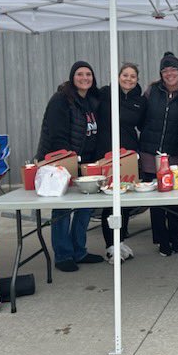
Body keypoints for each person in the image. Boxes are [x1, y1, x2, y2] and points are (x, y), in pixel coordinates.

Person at [35, 61, 105, 272]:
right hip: (62, 163)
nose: (85, 78)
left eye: (88, 74)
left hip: (86, 163)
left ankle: (79, 250)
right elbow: (56, 134)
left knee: (85, 207)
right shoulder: (61, 100)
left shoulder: (91, 101)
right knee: (63, 209)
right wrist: (70, 162)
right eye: (80, 74)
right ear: (72, 77)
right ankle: (63, 254)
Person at [139, 52, 178, 257]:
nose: (169, 74)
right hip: (151, 153)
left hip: (175, 154)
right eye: (165, 70)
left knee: (173, 198)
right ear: (161, 74)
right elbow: (141, 117)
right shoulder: (152, 91)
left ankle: (176, 238)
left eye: (173, 70)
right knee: (156, 200)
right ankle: (162, 240)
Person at [96, 62, 147, 263]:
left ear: (137, 79)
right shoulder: (105, 94)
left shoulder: (140, 101)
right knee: (110, 202)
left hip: (128, 155)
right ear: (118, 77)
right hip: (106, 153)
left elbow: (143, 125)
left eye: (132, 76)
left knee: (125, 201)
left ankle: (121, 240)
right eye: (125, 75)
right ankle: (110, 245)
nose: (128, 79)